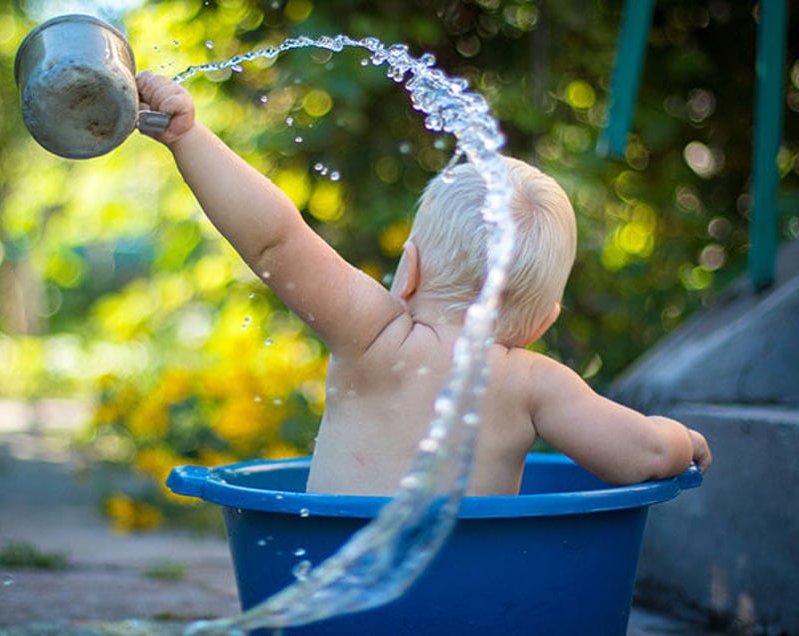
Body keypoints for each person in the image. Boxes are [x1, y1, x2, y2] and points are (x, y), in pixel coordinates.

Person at [135, 71, 712, 497]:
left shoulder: (373, 337)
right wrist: (683, 440)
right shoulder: (535, 384)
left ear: (407, 270)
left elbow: (275, 241)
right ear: (543, 322)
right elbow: (644, 455)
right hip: (467, 606)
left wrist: (188, 136)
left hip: (337, 589)